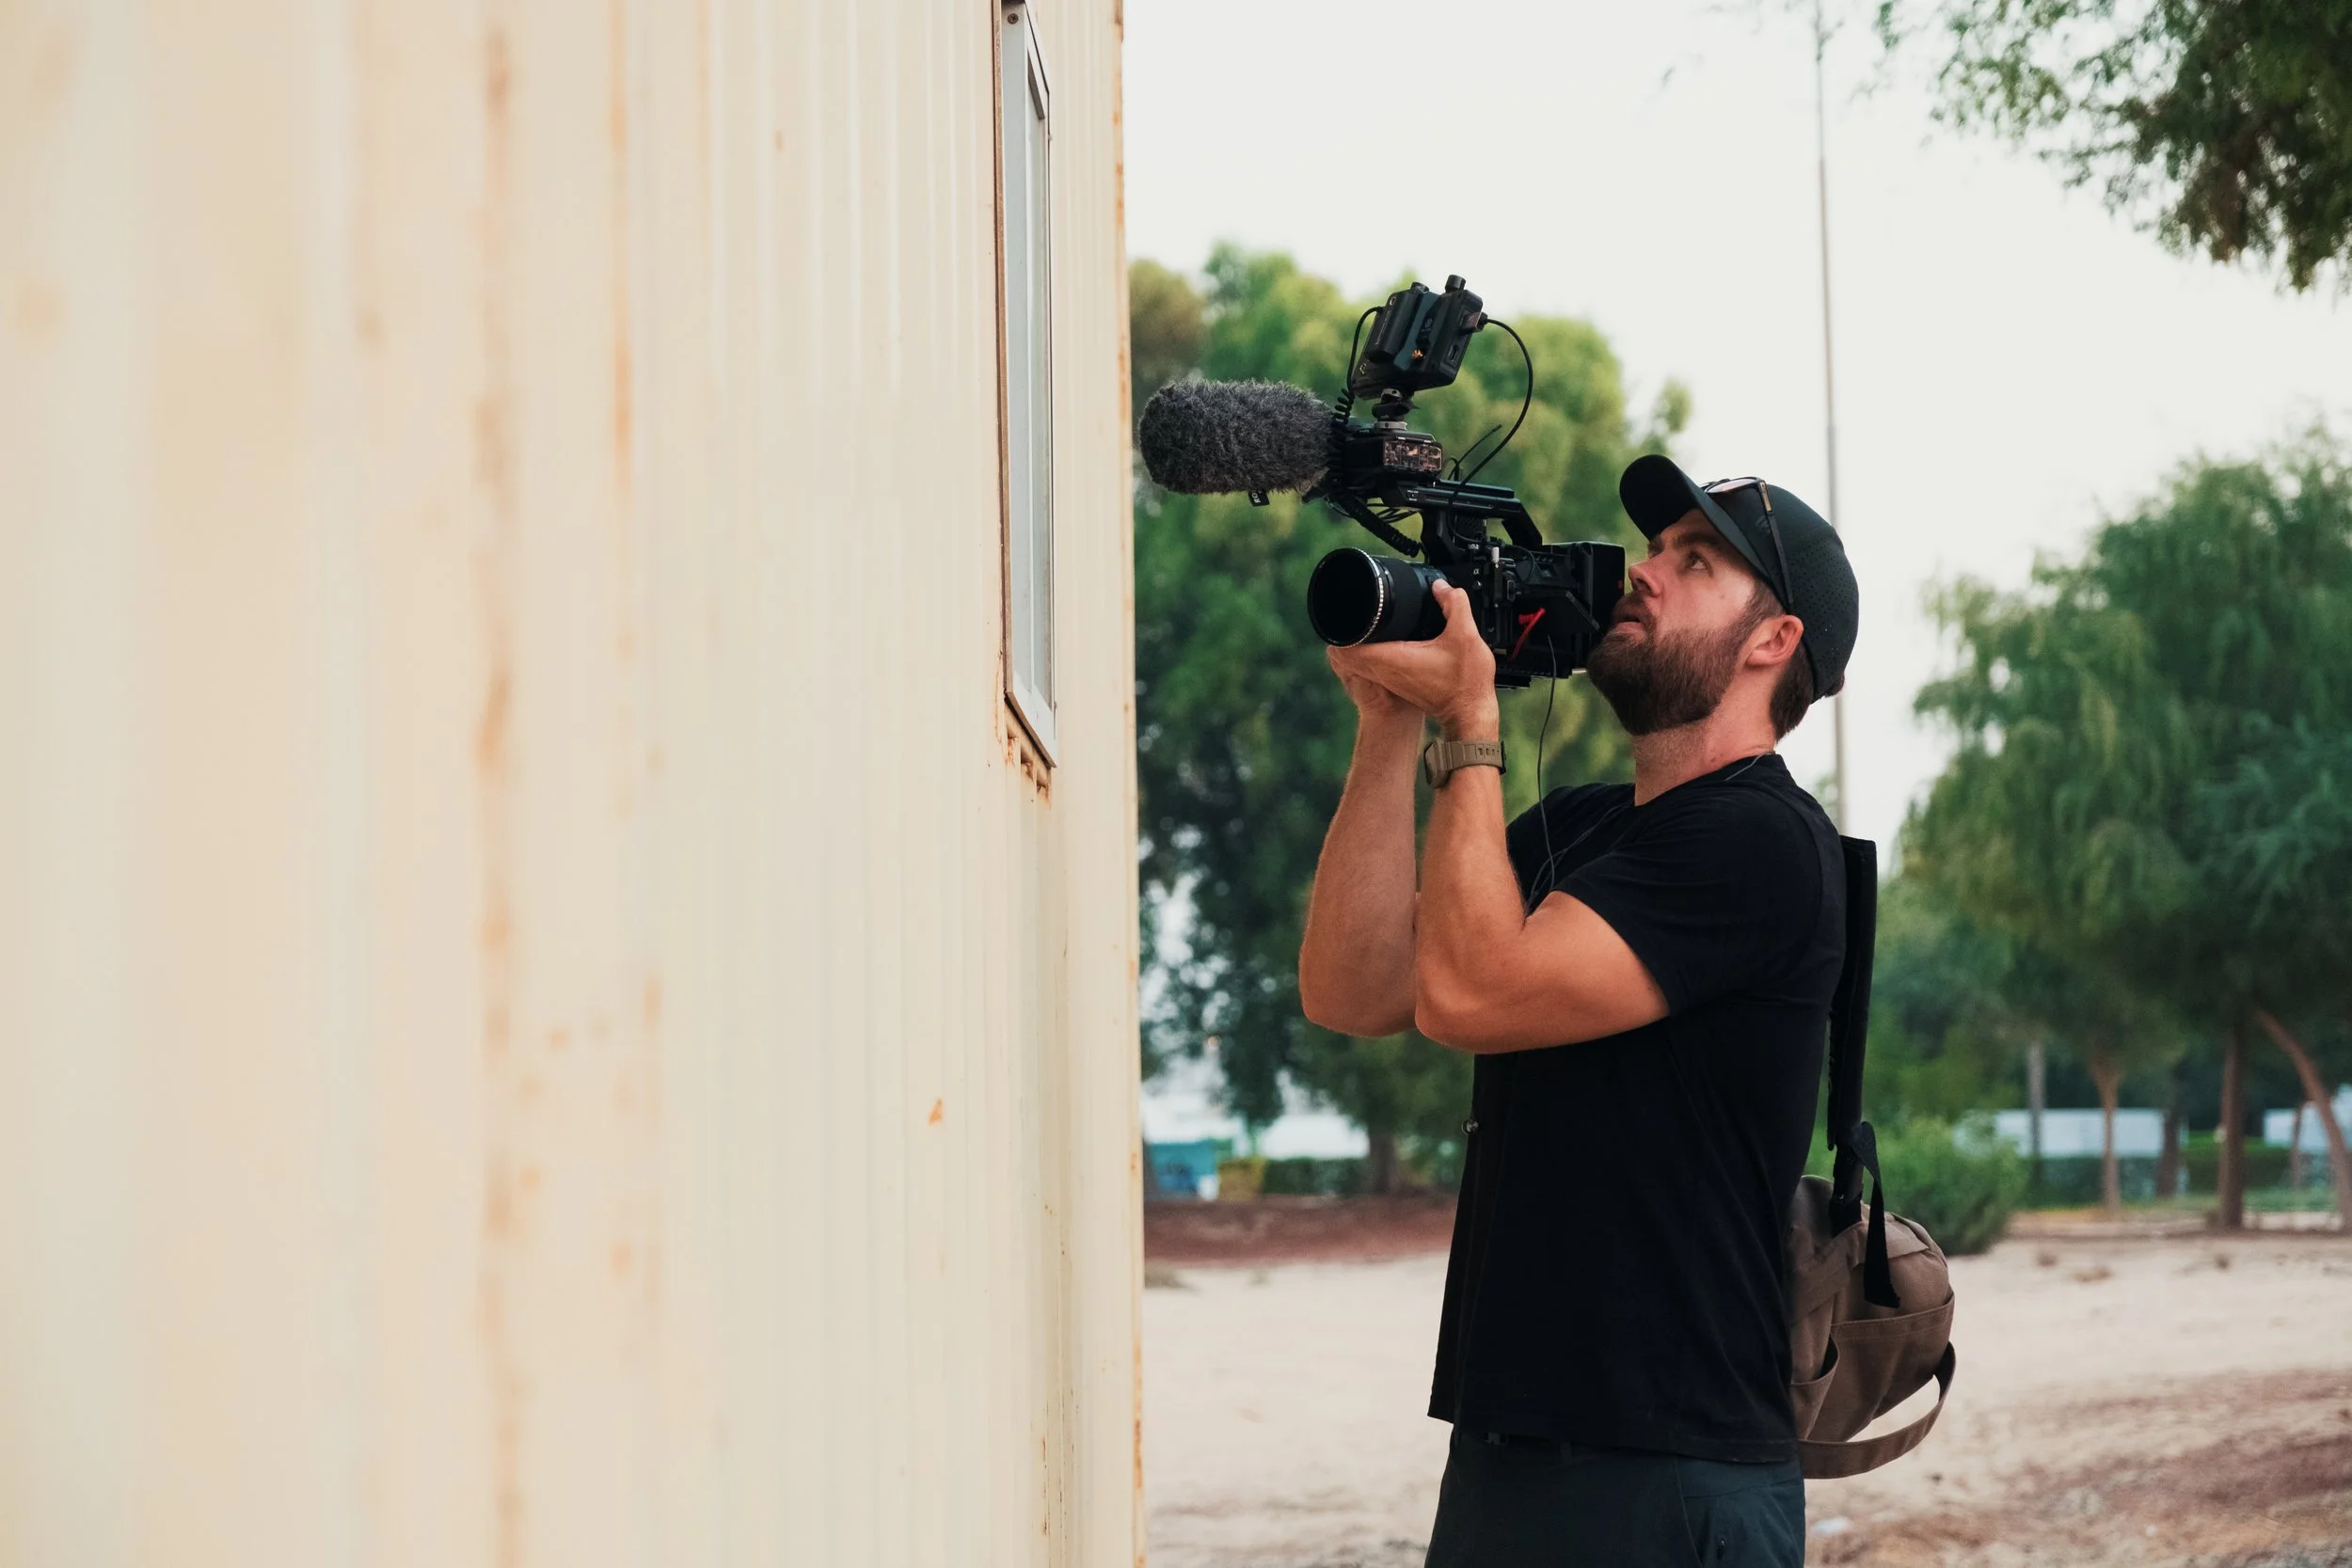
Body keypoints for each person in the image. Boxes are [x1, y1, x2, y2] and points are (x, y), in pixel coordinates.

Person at [1297, 455, 1863, 1566]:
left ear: (1773, 641)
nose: (1642, 573)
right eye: (1655, 548)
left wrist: (1468, 714)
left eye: (1694, 561)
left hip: (1672, 1478)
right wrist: (1389, 723)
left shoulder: (1762, 843)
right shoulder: (1583, 823)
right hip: (1509, 1451)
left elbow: (1471, 993)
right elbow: (1354, 988)